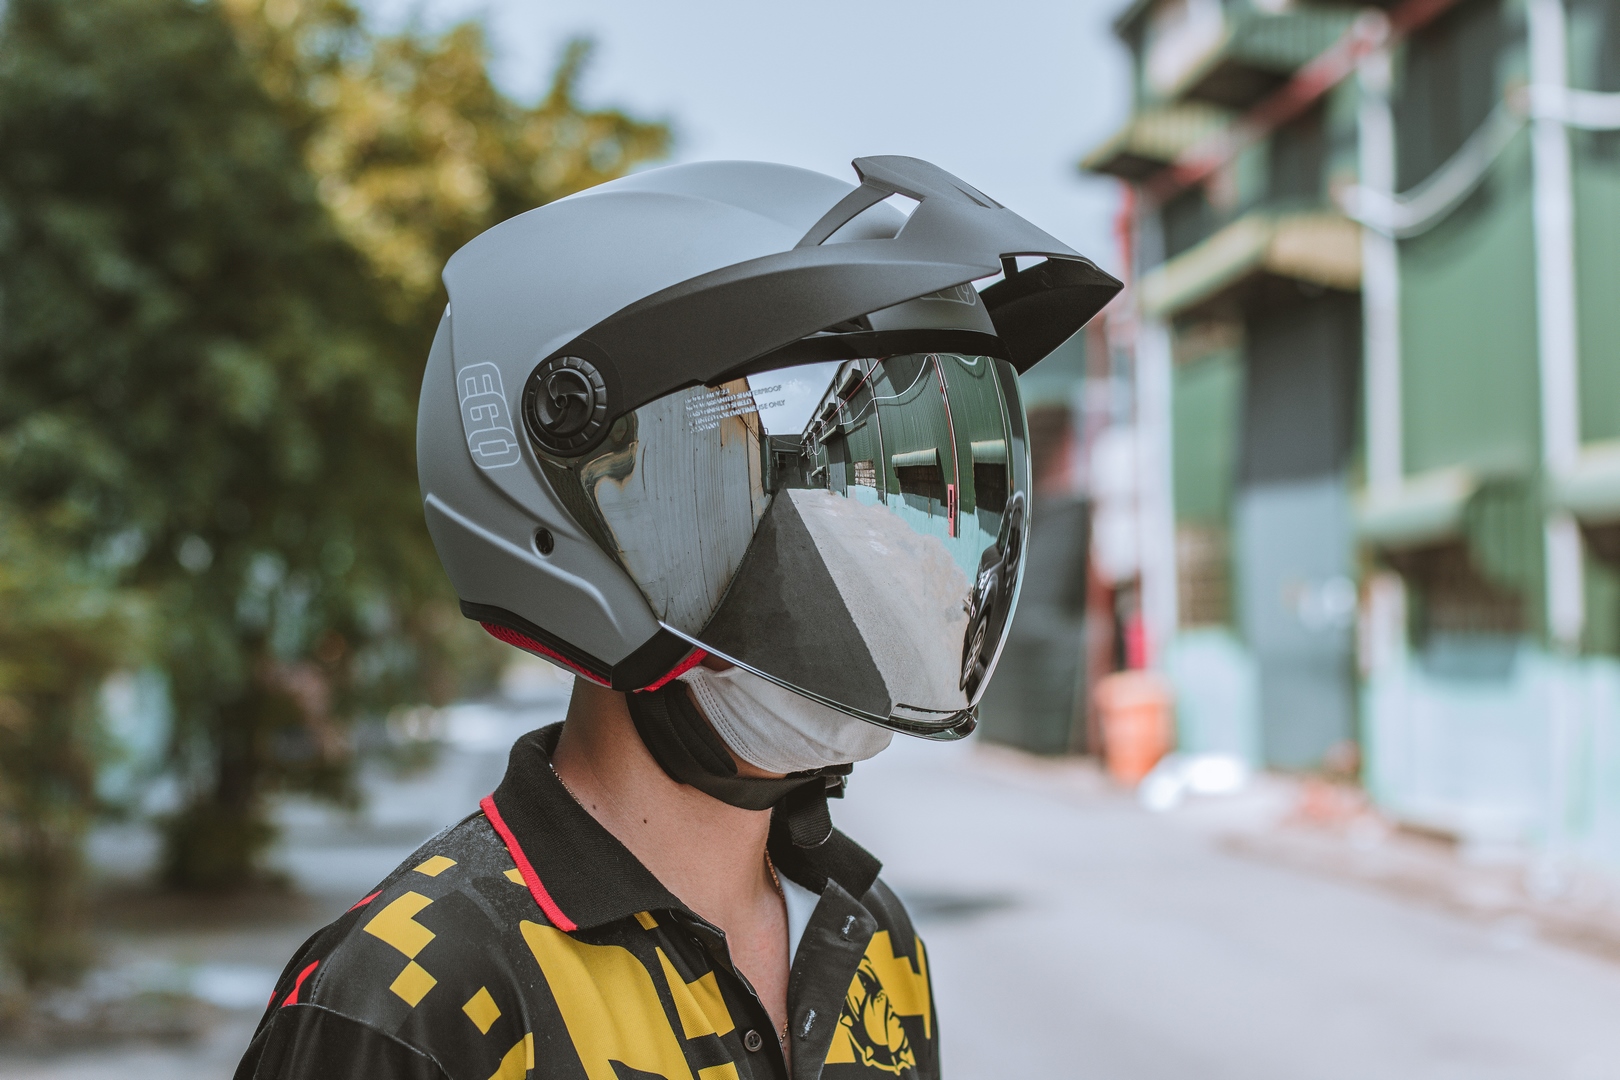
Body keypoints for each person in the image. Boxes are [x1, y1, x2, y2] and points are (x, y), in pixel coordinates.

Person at [234, 155, 1119, 1080]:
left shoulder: (869, 939)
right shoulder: (412, 1000)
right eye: (771, 485)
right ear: (575, 497)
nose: (882, 551)